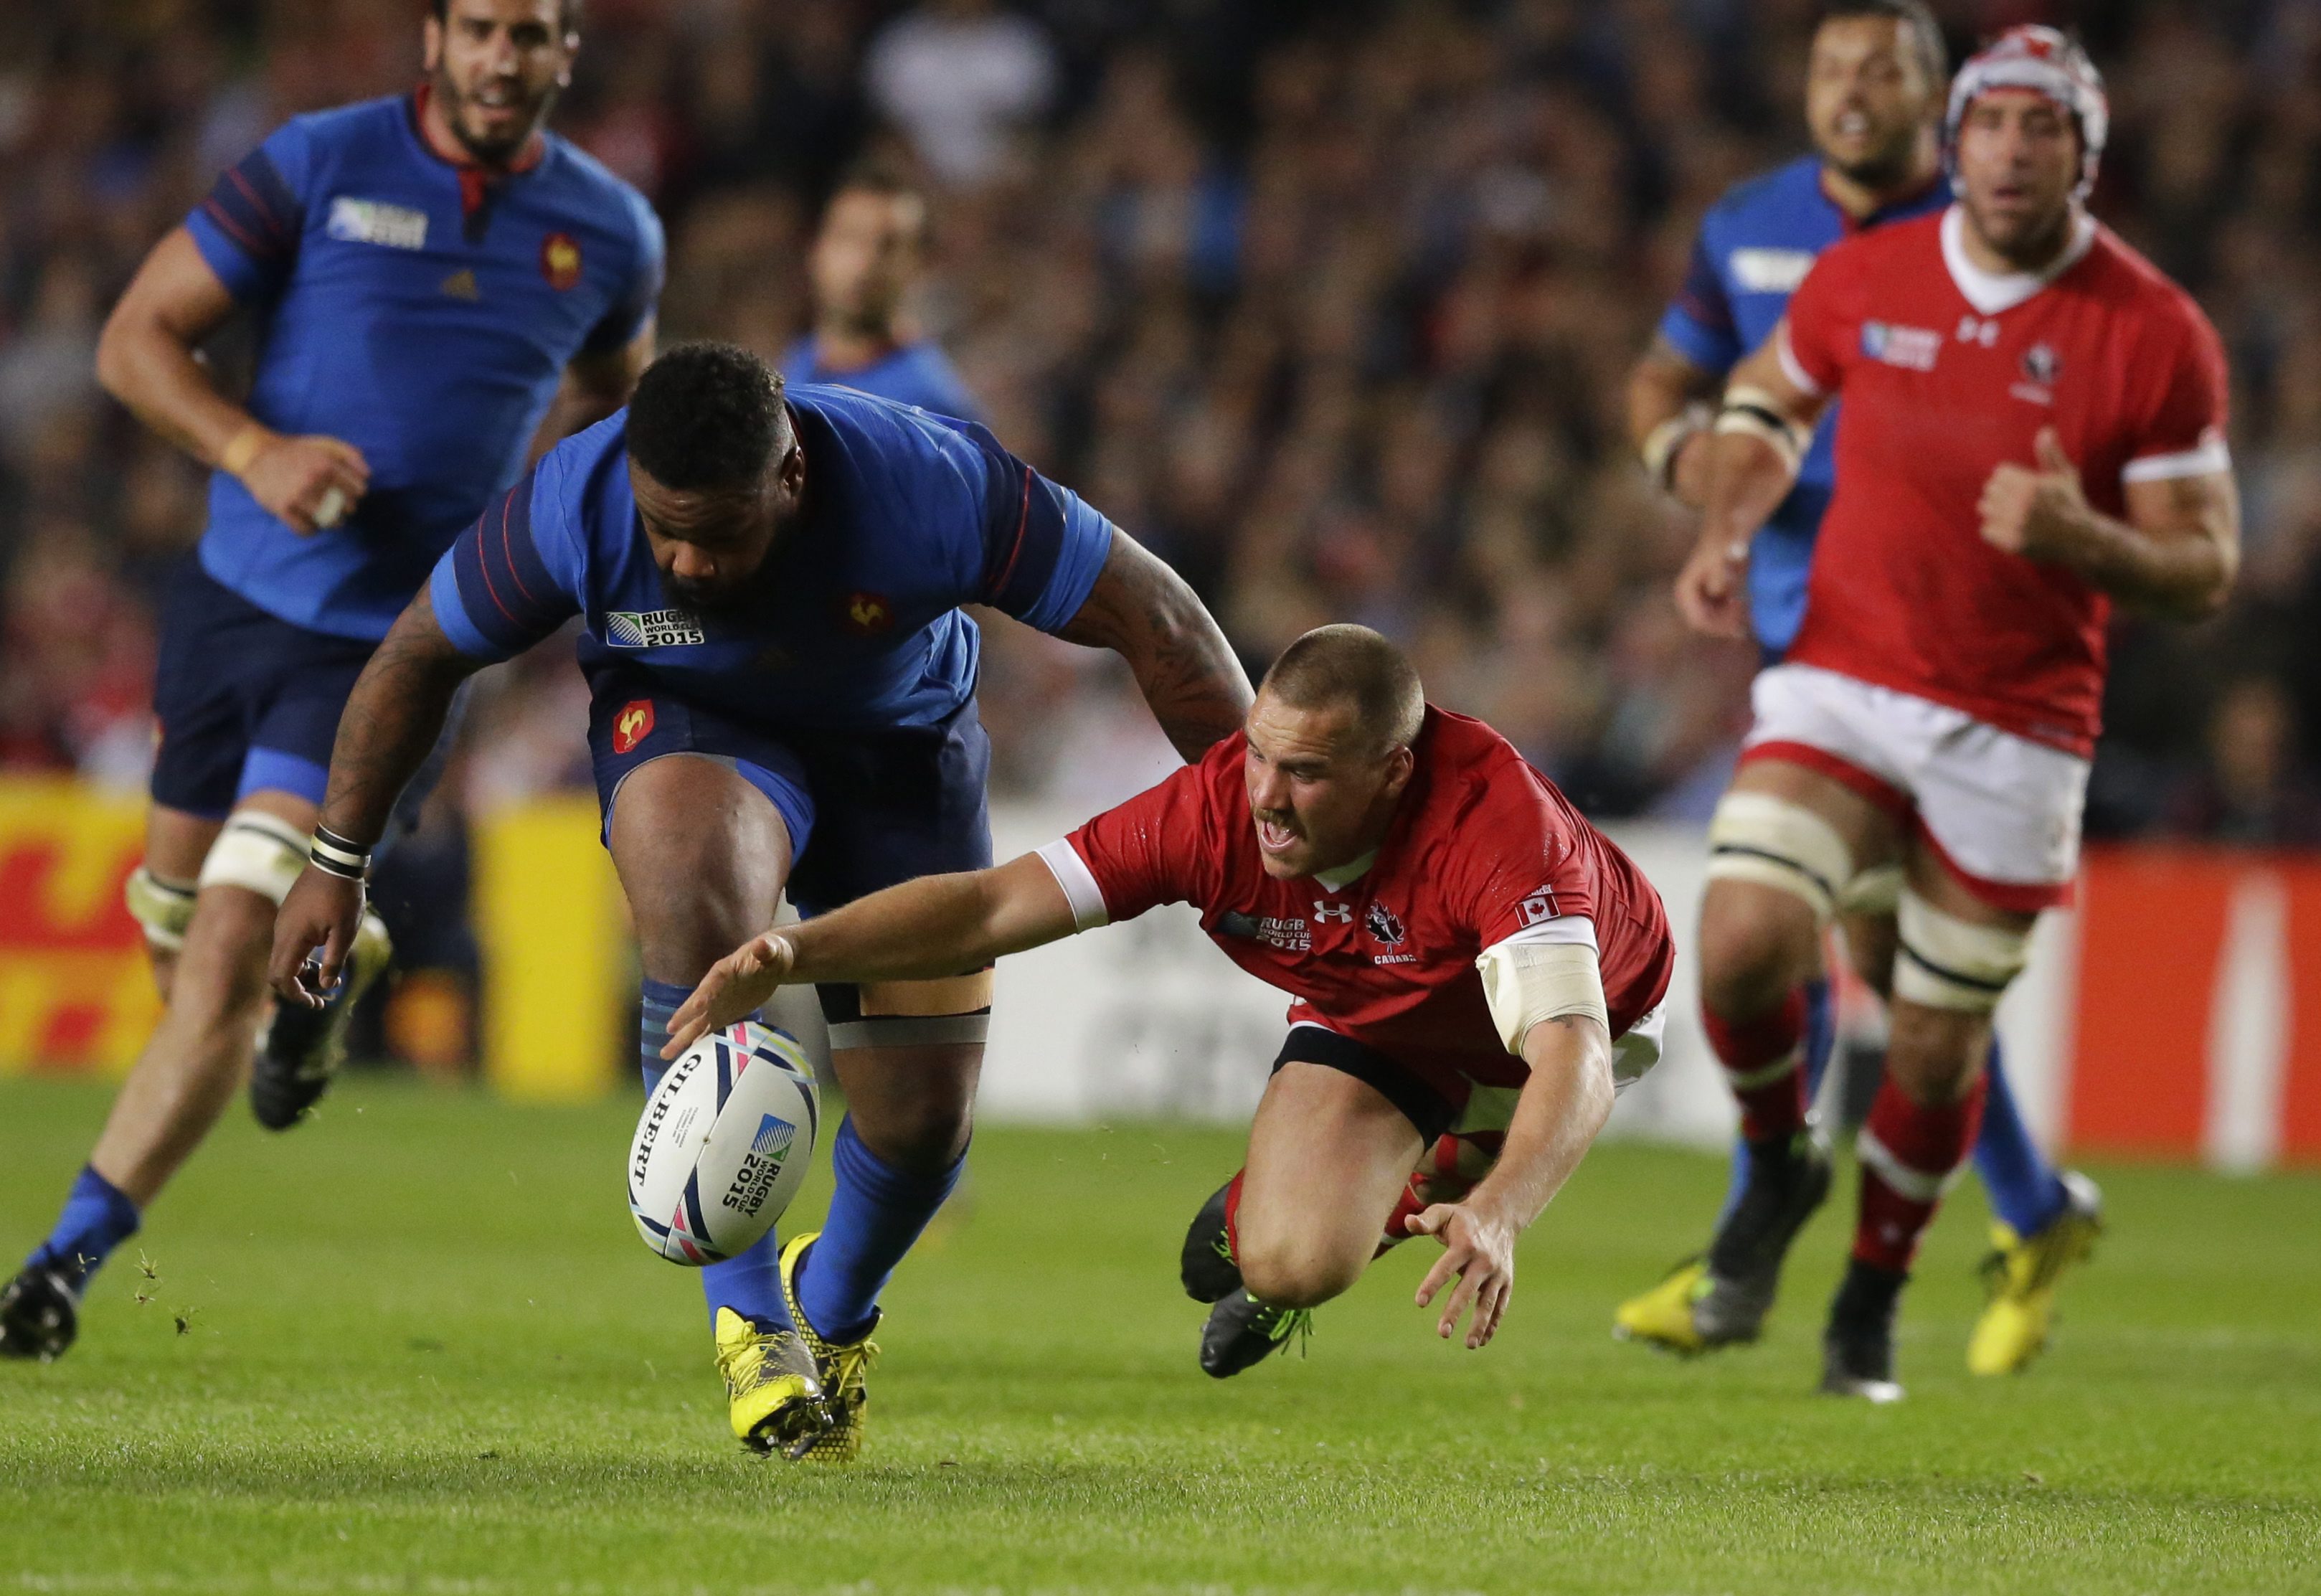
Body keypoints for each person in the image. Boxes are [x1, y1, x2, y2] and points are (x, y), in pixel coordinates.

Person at [266, 341, 1252, 1458]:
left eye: (717, 534)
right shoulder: (577, 499)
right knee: (691, 874)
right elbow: (415, 656)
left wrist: (1265, 826)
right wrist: (337, 861)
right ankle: (747, 1320)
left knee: (925, 1124)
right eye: (663, 531)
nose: (684, 563)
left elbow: (1157, 619)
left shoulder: (927, 485)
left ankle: (827, 1312)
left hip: (900, 754)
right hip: (695, 727)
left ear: (789, 478)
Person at [0, 0, 662, 1364]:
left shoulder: (608, 234)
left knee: (231, 940)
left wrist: (567, 578)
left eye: (531, 35)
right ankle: (308, 1017)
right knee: (183, 941)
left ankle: (62, 1260)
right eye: (478, 28)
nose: (501, 58)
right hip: (231, 608)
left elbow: (624, 434)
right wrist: (254, 451)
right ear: (432, 41)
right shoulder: (319, 162)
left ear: (565, 56)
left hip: (397, 651)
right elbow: (136, 338)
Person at [1673, 26, 2237, 1399]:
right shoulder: (1865, 275)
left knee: (1933, 1044)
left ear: (2081, 157)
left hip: (2017, 723)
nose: (2008, 150)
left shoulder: (2153, 331)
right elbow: (1763, 400)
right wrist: (1731, 521)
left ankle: (1872, 1292)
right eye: (1991, 124)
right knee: (1744, 934)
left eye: (2041, 128)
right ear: (1958, 140)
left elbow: (2206, 565)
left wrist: (2080, 536)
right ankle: (1775, 1166)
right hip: (1847, 678)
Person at [663, 625, 1677, 1377]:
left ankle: (1449, 1165)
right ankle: (1317, 1229)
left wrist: (1500, 1218)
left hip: (1586, 1017)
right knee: (1284, 1262)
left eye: (1308, 774)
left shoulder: (1493, 828)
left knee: (1495, 1143)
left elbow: (1573, 1055)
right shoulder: (1214, 809)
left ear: (1394, 770)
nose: (1268, 796)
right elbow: (986, 908)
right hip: (1384, 1015)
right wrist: (793, 948)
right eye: (1262, 755)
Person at [1618, 0, 2101, 1379]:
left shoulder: (1993, 232)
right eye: (1830, 66)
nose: (1849, 90)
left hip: (1942, 643)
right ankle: (2022, 1211)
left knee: (1845, 944)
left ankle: (1756, 1253)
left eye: (1881, 70)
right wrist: (1684, 469)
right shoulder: (1749, 221)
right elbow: (1670, 375)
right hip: (1802, 625)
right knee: (1843, 945)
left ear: (1937, 97)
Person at [777, 164, 980, 422]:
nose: (864, 263)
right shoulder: (801, 358)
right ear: (816, 247)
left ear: (919, 265)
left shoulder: (932, 409)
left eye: (888, 246)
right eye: (850, 237)